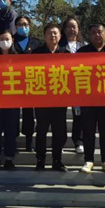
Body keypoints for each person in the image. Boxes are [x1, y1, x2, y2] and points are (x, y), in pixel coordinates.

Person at [78, 23, 105, 175]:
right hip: (88, 99)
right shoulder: (82, 52)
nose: (97, 35)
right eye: (93, 32)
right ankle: (88, 160)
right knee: (88, 130)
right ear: (89, 35)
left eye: (100, 32)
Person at [32, 24, 70, 171]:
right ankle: (40, 160)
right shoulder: (36, 53)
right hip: (42, 99)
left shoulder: (66, 54)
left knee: (59, 132)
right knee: (41, 131)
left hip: (60, 100)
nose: (52, 36)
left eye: (55, 33)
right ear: (44, 36)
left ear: (60, 36)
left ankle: (57, 160)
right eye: (49, 33)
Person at [0, 30, 20, 170]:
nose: (4, 42)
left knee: (10, 130)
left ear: (12, 40)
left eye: (7, 39)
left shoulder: (18, 58)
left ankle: (9, 159)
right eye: (1, 39)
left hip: (12, 100)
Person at [59, 16, 88, 154]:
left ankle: (78, 141)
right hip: (61, 82)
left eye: (74, 26)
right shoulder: (59, 46)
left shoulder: (85, 46)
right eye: (69, 26)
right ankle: (60, 141)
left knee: (79, 115)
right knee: (60, 115)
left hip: (79, 84)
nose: (71, 29)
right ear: (64, 29)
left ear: (78, 29)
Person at [13, 15, 42, 152]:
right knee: (13, 113)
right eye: (20, 24)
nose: (23, 27)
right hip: (13, 80)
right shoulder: (10, 40)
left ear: (29, 26)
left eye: (25, 24)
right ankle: (12, 139)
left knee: (29, 113)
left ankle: (29, 142)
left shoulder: (36, 43)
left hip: (31, 81)